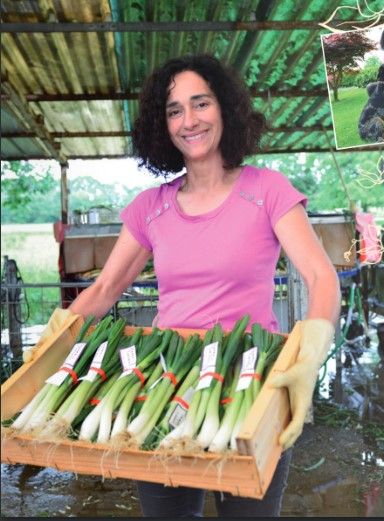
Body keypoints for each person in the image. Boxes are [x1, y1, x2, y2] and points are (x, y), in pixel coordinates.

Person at [33, 55, 340, 517]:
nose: (189, 121)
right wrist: (52, 339)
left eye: (201, 104)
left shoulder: (268, 190)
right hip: (166, 381)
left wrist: (311, 348)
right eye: (174, 110)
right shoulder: (149, 208)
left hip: (250, 379)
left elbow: (321, 277)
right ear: (162, 125)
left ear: (226, 109)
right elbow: (104, 290)